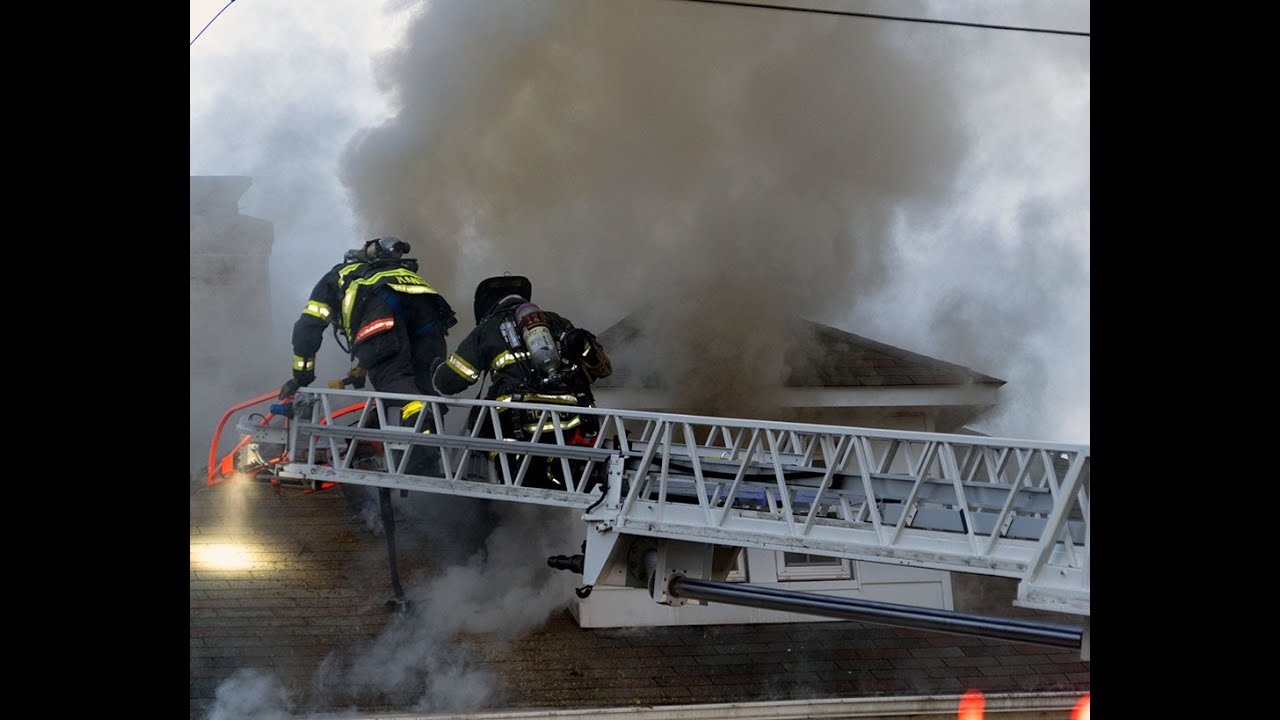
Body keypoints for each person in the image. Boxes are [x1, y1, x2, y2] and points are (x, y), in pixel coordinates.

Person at [279, 236, 458, 475]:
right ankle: (428, 457)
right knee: (423, 386)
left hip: (384, 320)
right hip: (430, 326)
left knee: (397, 383)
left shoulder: (338, 276)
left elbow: (307, 329)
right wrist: (362, 368)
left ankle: (422, 452)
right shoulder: (396, 273)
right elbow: (400, 327)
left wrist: (301, 377)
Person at [430, 274, 612, 490]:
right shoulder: (557, 322)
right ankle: (558, 473)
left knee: (479, 421)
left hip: (518, 421)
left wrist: (435, 369)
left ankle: (513, 472)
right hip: (574, 419)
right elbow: (601, 369)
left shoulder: (487, 329)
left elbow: (450, 381)